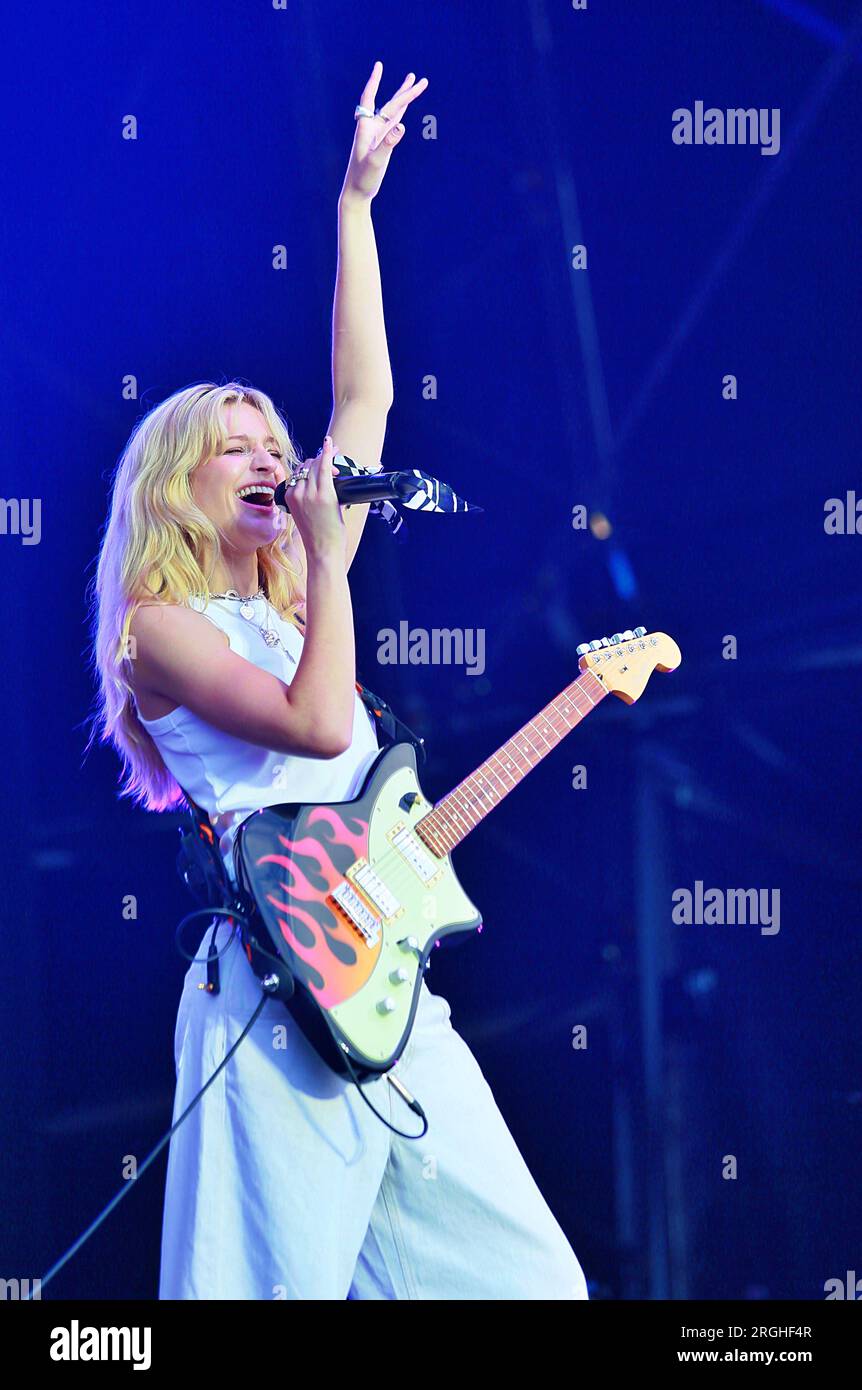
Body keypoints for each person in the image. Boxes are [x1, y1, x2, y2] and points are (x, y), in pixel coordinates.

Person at [89, 64, 588, 1301]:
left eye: (277, 443)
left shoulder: (296, 593)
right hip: (273, 992)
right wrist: (324, 561)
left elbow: (363, 398)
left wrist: (356, 204)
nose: (275, 457)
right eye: (239, 450)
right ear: (177, 489)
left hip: (386, 984)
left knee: (533, 1289)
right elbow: (317, 725)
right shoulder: (158, 628)